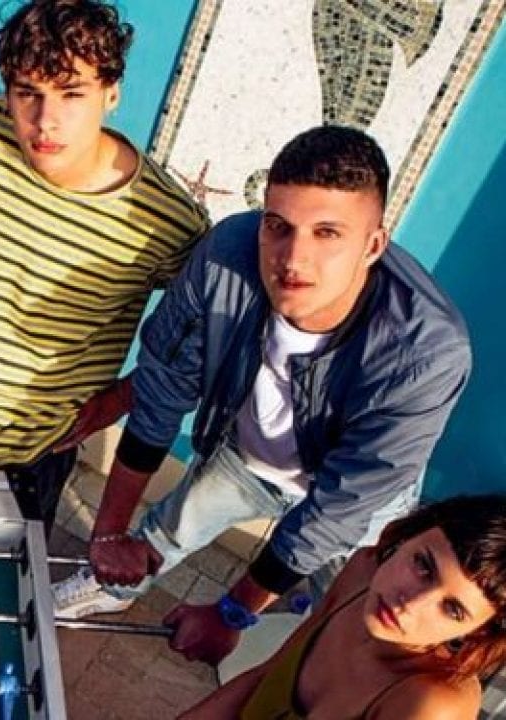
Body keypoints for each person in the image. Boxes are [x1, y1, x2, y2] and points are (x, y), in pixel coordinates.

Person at [51, 125, 472, 667]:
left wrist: (232, 614)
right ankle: (108, 587)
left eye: (327, 232)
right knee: (165, 532)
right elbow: (163, 388)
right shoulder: (229, 252)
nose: (293, 258)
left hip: (359, 506)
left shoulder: (427, 352)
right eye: (279, 226)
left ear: (373, 245)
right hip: (247, 456)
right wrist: (109, 535)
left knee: (350, 623)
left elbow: (336, 511)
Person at [0, 0, 207, 531]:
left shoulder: (165, 220)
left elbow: (201, 330)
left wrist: (121, 398)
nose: (46, 121)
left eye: (72, 93)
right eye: (28, 93)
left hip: (31, 457)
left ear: (111, 93)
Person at [182, 495, 506, 719]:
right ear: (408, 536)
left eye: (453, 609)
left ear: (477, 631)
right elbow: (266, 674)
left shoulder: (430, 703)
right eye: (423, 565)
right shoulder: (362, 574)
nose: (410, 604)